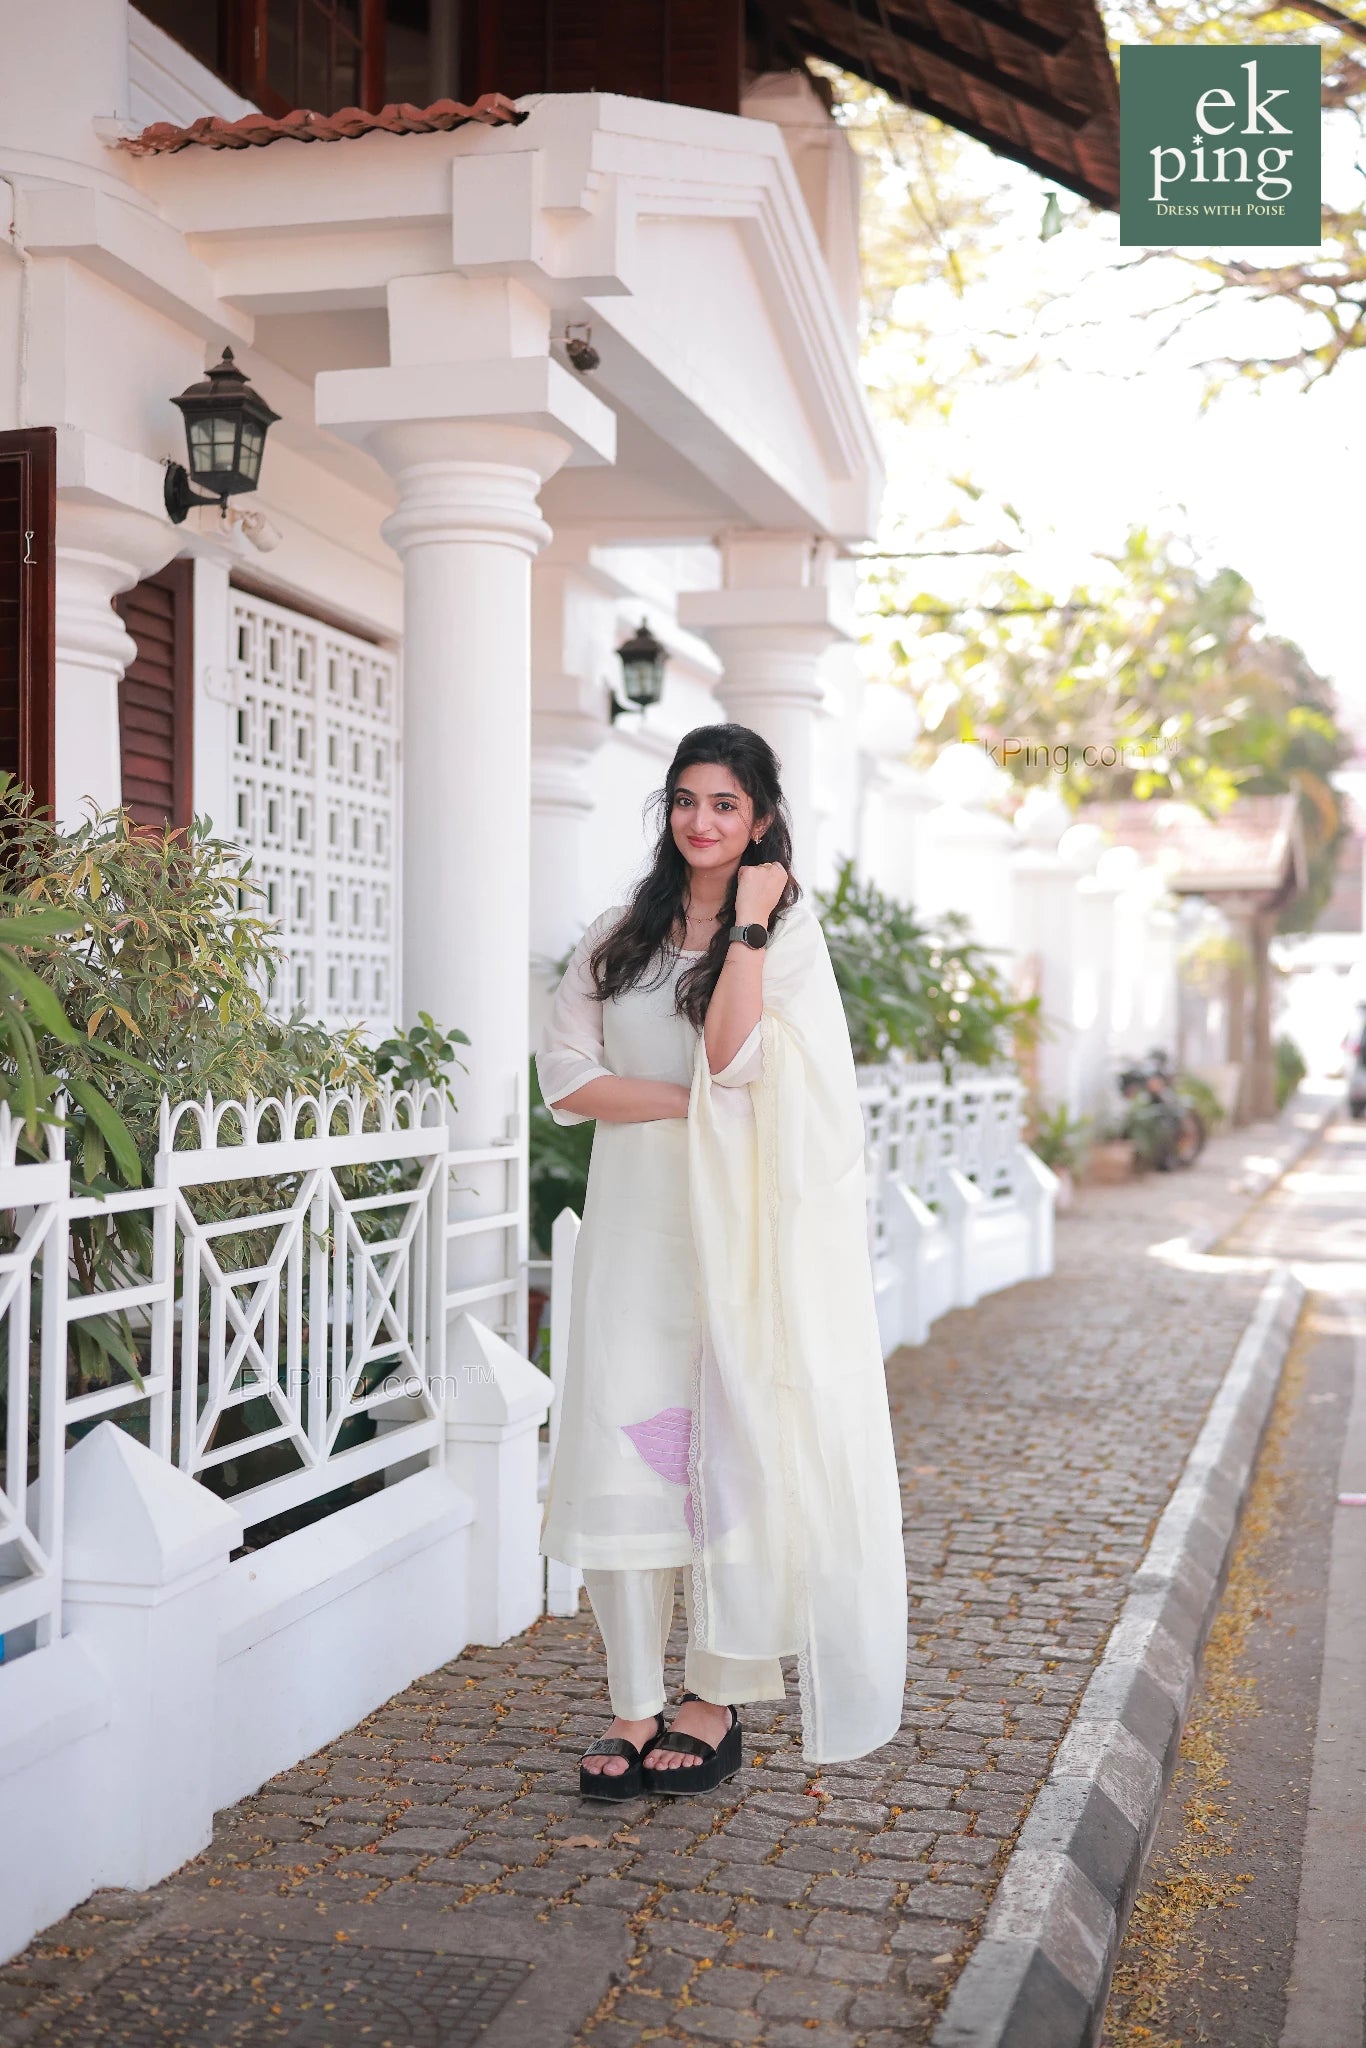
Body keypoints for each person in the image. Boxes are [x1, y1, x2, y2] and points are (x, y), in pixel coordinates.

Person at [535, 723, 907, 1800]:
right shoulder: (616, 939)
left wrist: (747, 921)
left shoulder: (784, 939)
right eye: (687, 800)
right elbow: (568, 1082)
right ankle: (631, 1699)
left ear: (761, 821)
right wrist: (695, 1107)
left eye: (726, 805)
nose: (702, 820)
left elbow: (738, 1055)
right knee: (624, 1445)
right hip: (633, 1232)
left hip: (736, 1238)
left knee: (730, 1452)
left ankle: (715, 1693)